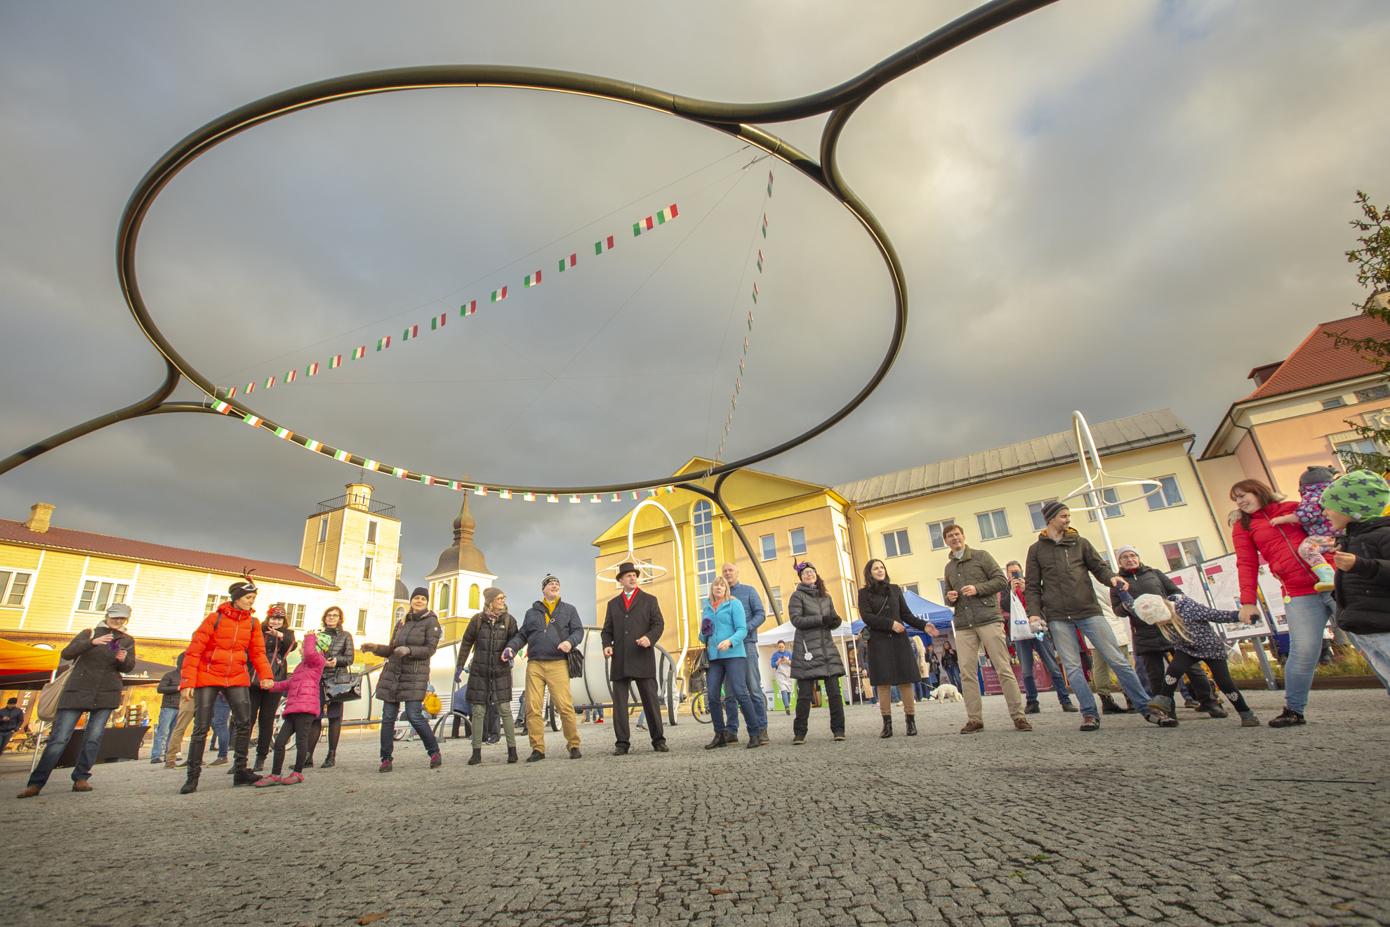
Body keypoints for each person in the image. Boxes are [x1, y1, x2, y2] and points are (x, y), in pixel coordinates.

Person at [1024, 501, 1151, 732]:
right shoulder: (1036, 550)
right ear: (1050, 519)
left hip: (1088, 610)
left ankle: (1146, 707)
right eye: (1063, 516)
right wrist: (1033, 614)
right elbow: (1032, 585)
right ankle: (1089, 713)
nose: (1068, 519)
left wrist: (1112, 578)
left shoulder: (1080, 543)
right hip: (1058, 616)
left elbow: (1099, 567)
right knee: (1073, 668)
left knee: (1117, 659)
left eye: (1068, 516)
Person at [1230, 479, 1337, 728]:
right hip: (1298, 592)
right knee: (1303, 651)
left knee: (1367, 640)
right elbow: (1246, 563)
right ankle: (1293, 710)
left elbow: (1328, 527)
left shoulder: (1293, 508)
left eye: (1243, 495)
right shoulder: (1243, 526)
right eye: (1236, 499)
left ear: (1259, 492)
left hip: (1334, 581)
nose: (1240, 501)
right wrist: (1248, 601)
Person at [18, 603, 137, 799]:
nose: (118, 621)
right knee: (59, 738)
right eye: (115, 617)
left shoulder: (127, 640)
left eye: (122, 618)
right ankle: (36, 783)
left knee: (93, 738)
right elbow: (66, 653)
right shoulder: (89, 633)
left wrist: (123, 659)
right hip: (77, 690)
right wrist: (92, 642)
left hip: (106, 692)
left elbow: (128, 667)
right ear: (107, 616)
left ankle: (81, 777)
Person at [177, 577, 275, 794]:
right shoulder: (215, 619)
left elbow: (258, 652)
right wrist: (187, 681)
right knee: (201, 726)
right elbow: (194, 651)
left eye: (253, 598)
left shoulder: (252, 623)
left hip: (237, 675)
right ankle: (192, 776)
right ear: (236, 598)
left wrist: (265, 675)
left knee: (244, 722)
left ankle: (240, 771)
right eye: (248, 597)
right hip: (209, 674)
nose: (251, 601)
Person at [1108, 545, 1223, 718]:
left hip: (1170, 628)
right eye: (1125, 557)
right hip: (1144, 632)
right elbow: (1117, 610)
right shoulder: (1118, 583)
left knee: (1192, 668)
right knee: (1155, 675)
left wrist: (1171, 602)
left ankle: (1209, 702)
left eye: (1132, 555)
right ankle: (1167, 710)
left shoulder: (1154, 574)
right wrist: (1127, 606)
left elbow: (1176, 592)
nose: (1130, 559)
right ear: (1119, 562)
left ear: (1138, 557)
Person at [941, 525, 1031, 733]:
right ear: (946, 541)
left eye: (957, 534)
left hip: (988, 618)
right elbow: (948, 594)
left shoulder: (981, 556)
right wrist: (950, 598)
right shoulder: (949, 568)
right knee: (967, 673)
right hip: (963, 623)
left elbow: (1001, 581)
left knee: (1003, 668)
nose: (954, 538)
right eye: (950, 536)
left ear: (963, 536)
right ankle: (974, 719)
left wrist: (977, 589)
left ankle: (1018, 716)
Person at [1131, 595, 1260, 728]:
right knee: (1173, 671)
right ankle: (1163, 700)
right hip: (1187, 649)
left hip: (1211, 649)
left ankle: (1246, 713)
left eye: (1162, 621)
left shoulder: (1189, 608)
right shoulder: (1160, 619)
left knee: (1225, 683)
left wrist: (1240, 616)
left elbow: (1215, 615)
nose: (1161, 624)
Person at [1321, 470, 1390, 689]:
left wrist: (1360, 565)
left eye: (1330, 506)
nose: (1325, 512)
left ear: (1352, 507)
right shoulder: (1352, 539)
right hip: (1367, 629)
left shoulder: (1383, 535)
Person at [362, 587, 443, 772]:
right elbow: (393, 649)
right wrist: (376, 648)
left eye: (423, 598)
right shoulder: (402, 622)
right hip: (394, 674)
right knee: (388, 718)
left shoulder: (432, 622)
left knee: (414, 715)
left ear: (427, 602)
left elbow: (430, 649)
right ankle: (386, 759)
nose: (419, 601)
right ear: (411, 601)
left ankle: (434, 752)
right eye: (416, 598)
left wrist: (409, 650)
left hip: (414, 675)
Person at [507, 574, 583, 762]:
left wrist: (569, 642)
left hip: (558, 663)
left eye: (557, 583)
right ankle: (538, 749)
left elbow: (578, 631)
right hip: (535, 664)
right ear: (543, 589)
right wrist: (511, 648)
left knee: (564, 706)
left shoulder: (569, 609)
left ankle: (574, 745)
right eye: (550, 584)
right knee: (532, 707)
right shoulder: (531, 612)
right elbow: (522, 635)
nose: (554, 586)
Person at [858, 558, 931, 737]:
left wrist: (924, 625)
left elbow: (906, 614)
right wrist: (890, 624)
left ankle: (910, 722)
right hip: (879, 641)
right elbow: (867, 617)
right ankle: (887, 724)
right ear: (869, 573)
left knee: (906, 680)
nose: (880, 570)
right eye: (876, 568)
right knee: (883, 683)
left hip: (899, 640)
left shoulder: (895, 589)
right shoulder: (863, 593)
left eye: (882, 567)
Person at [602, 562, 669, 755]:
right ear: (621, 580)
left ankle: (658, 740)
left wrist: (649, 638)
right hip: (620, 659)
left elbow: (658, 624)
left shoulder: (650, 600)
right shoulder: (612, 604)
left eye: (634, 575)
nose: (632, 578)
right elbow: (607, 630)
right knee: (620, 705)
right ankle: (622, 744)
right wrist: (607, 645)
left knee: (651, 702)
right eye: (628, 576)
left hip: (642, 656)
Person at [455, 586, 520, 765]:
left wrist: (511, 650)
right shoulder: (477, 620)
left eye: (503, 598)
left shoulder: (509, 620)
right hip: (479, 672)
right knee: (478, 711)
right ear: (490, 601)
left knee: (505, 709)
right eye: (499, 598)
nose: (502, 601)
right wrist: (459, 665)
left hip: (501, 671)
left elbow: (517, 640)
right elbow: (466, 643)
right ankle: (476, 752)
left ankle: (512, 750)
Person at [999, 560, 1074, 714]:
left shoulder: (1031, 585)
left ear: (1021, 571)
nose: (1014, 574)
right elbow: (1005, 607)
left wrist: (1026, 590)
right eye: (1011, 572)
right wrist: (1012, 591)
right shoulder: (1005, 589)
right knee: (1026, 670)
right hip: (1020, 631)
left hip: (1037, 627)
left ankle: (1065, 700)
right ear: (1007, 574)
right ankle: (1032, 701)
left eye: (1016, 571)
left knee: (1052, 665)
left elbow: (1043, 602)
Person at [254, 632, 328, 786]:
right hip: (293, 708)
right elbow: (289, 683)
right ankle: (275, 774)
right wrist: (272, 686)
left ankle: (297, 773)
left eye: (303, 647)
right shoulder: (301, 666)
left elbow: (310, 653)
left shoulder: (318, 661)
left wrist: (310, 637)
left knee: (301, 742)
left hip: (306, 709)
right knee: (279, 742)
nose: (301, 650)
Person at [699, 575, 762, 749]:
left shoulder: (734, 604)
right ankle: (720, 735)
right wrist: (704, 631)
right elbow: (703, 637)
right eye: (716, 585)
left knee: (741, 692)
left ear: (726, 588)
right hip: (715, 657)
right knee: (712, 695)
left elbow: (742, 629)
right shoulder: (707, 607)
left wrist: (730, 641)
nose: (718, 588)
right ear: (712, 589)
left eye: (722, 585)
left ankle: (754, 733)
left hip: (734, 654)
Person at [788, 561, 846, 745]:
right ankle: (799, 733)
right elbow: (796, 620)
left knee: (834, 693)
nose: (809, 574)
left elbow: (831, 618)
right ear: (801, 577)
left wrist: (835, 621)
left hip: (826, 648)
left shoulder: (826, 597)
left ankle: (839, 730)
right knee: (805, 695)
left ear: (816, 575)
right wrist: (822, 619)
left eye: (812, 572)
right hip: (807, 648)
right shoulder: (797, 596)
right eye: (805, 573)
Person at [718, 563, 769, 745]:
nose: (727, 573)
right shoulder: (719, 596)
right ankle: (732, 730)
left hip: (746, 644)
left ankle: (761, 729)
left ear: (737, 573)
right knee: (730, 692)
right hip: (727, 649)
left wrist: (744, 629)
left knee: (753, 688)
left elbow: (761, 614)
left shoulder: (749, 591)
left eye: (730, 570)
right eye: (724, 571)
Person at [305, 605, 355, 768]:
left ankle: (331, 755)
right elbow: (309, 655)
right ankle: (308, 756)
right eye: (329, 615)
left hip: (337, 680)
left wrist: (336, 661)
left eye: (335, 615)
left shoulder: (345, 636)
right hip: (318, 678)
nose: (332, 618)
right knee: (315, 716)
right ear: (324, 618)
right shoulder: (318, 635)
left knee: (334, 717)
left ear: (340, 619)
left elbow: (349, 658)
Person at [250, 604, 297, 772]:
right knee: (248, 718)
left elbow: (292, 645)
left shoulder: (287, 634)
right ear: (268, 618)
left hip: (274, 679)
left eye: (279, 619)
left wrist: (280, 636)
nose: (275, 622)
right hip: (254, 678)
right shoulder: (259, 630)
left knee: (267, 719)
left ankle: (261, 756)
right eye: (273, 618)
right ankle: (240, 758)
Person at [150, 654, 185, 764]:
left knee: (174, 733)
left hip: (181, 707)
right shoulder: (169, 675)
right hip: (168, 707)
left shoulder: (188, 676)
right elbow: (160, 689)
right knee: (163, 732)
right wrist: (177, 688)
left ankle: (169, 755)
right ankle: (156, 755)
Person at [770, 642, 794, 714]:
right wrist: (778, 661)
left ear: (784, 646)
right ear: (778, 647)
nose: (781, 648)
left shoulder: (789, 653)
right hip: (780, 674)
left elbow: (793, 663)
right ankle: (787, 707)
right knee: (783, 690)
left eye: (782, 646)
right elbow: (772, 665)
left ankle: (787, 705)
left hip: (788, 674)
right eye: (779, 647)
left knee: (788, 691)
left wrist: (787, 661)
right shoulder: (775, 654)